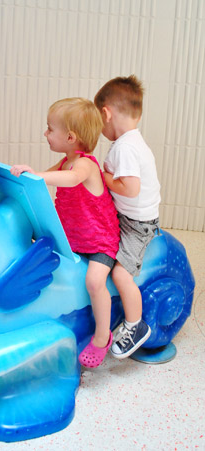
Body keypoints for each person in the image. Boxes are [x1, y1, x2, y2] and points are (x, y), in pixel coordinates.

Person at [11, 97, 120, 368]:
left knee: (95, 282)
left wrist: (36, 174)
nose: (45, 134)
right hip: (74, 238)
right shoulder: (64, 162)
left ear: (70, 137)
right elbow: (39, 181)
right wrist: (25, 178)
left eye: (50, 129)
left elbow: (71, 180)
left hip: (99, 242)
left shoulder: (85, 165)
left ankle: (101, 336)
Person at [94, 75, 161, 359]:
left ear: (106, 113)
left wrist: (105, 177)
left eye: (98, 120)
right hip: (127, 217)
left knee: (121, 274)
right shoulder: (130, 142)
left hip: (138, 226)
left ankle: (136, 325)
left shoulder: (125, 147)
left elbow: (131, 189)